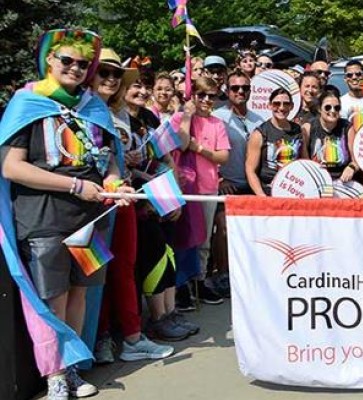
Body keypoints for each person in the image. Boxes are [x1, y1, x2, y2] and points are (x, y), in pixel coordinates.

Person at [0, 30, 136, 400]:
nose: (76, 68)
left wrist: (113, 183)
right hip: (43, 218)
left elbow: (107, 162)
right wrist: (74, 187)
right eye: (67, 61)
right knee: (52, 298)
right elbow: (12, 168)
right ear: (49, 60)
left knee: (80, 293)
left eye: (82, 63)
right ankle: (54, 376)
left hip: (90, 219)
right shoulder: (27, 103)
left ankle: (72, 369)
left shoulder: (93, 107)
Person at [93, 69, 177, 364]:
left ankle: (131, 338)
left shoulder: (127, 118)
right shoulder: (77, 110)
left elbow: (140, 164)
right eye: (103, 72)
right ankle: (100, 338)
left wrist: (165, 194)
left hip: (125, 200)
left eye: (117, 74)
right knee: (95, 273)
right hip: (89, 205)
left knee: (125, 269)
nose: (111, 79)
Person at [171, 77, 231, 311]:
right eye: (201, 95)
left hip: (207, 187)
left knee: (203, 240)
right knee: (183, 238)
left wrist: (200, 148)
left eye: (211, 96)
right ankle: (181, 285)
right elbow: (182, 143)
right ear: (193, 95)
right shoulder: (181, 118)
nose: (206, 100)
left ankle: (199, 280)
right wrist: (187, 115)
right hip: (185, 188)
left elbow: (222, 156)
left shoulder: (217, 124)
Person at [211, 70, 263, 298]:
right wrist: (219, 180)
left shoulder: (259, 119)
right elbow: (207, 153)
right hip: (227, 184)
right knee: (223, 229)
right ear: (227, 90)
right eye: (235, 88)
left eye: (245, 88)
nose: (240, 91)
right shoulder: (216, 117)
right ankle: (223, 275)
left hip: (252, 185)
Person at [246, 87, 307, 196]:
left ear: (292, 106)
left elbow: (305, 162)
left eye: (286, 104)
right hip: (268, 191)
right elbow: (250, 170)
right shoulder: (260, 133)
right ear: (269, 105)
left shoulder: (298, 130)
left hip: (293, 190)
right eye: (276, 104)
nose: (281, 108)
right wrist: (262, 197)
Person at [304, 91, 354, 181]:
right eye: (328, 107)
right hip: (317, 179)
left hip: (342, 181)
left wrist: (351, 167)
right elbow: (304, 160)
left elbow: (356, 160)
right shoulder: (309, 127)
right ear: (319, 109)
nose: (333, 111)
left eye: (337, 108)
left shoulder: (347, 127)